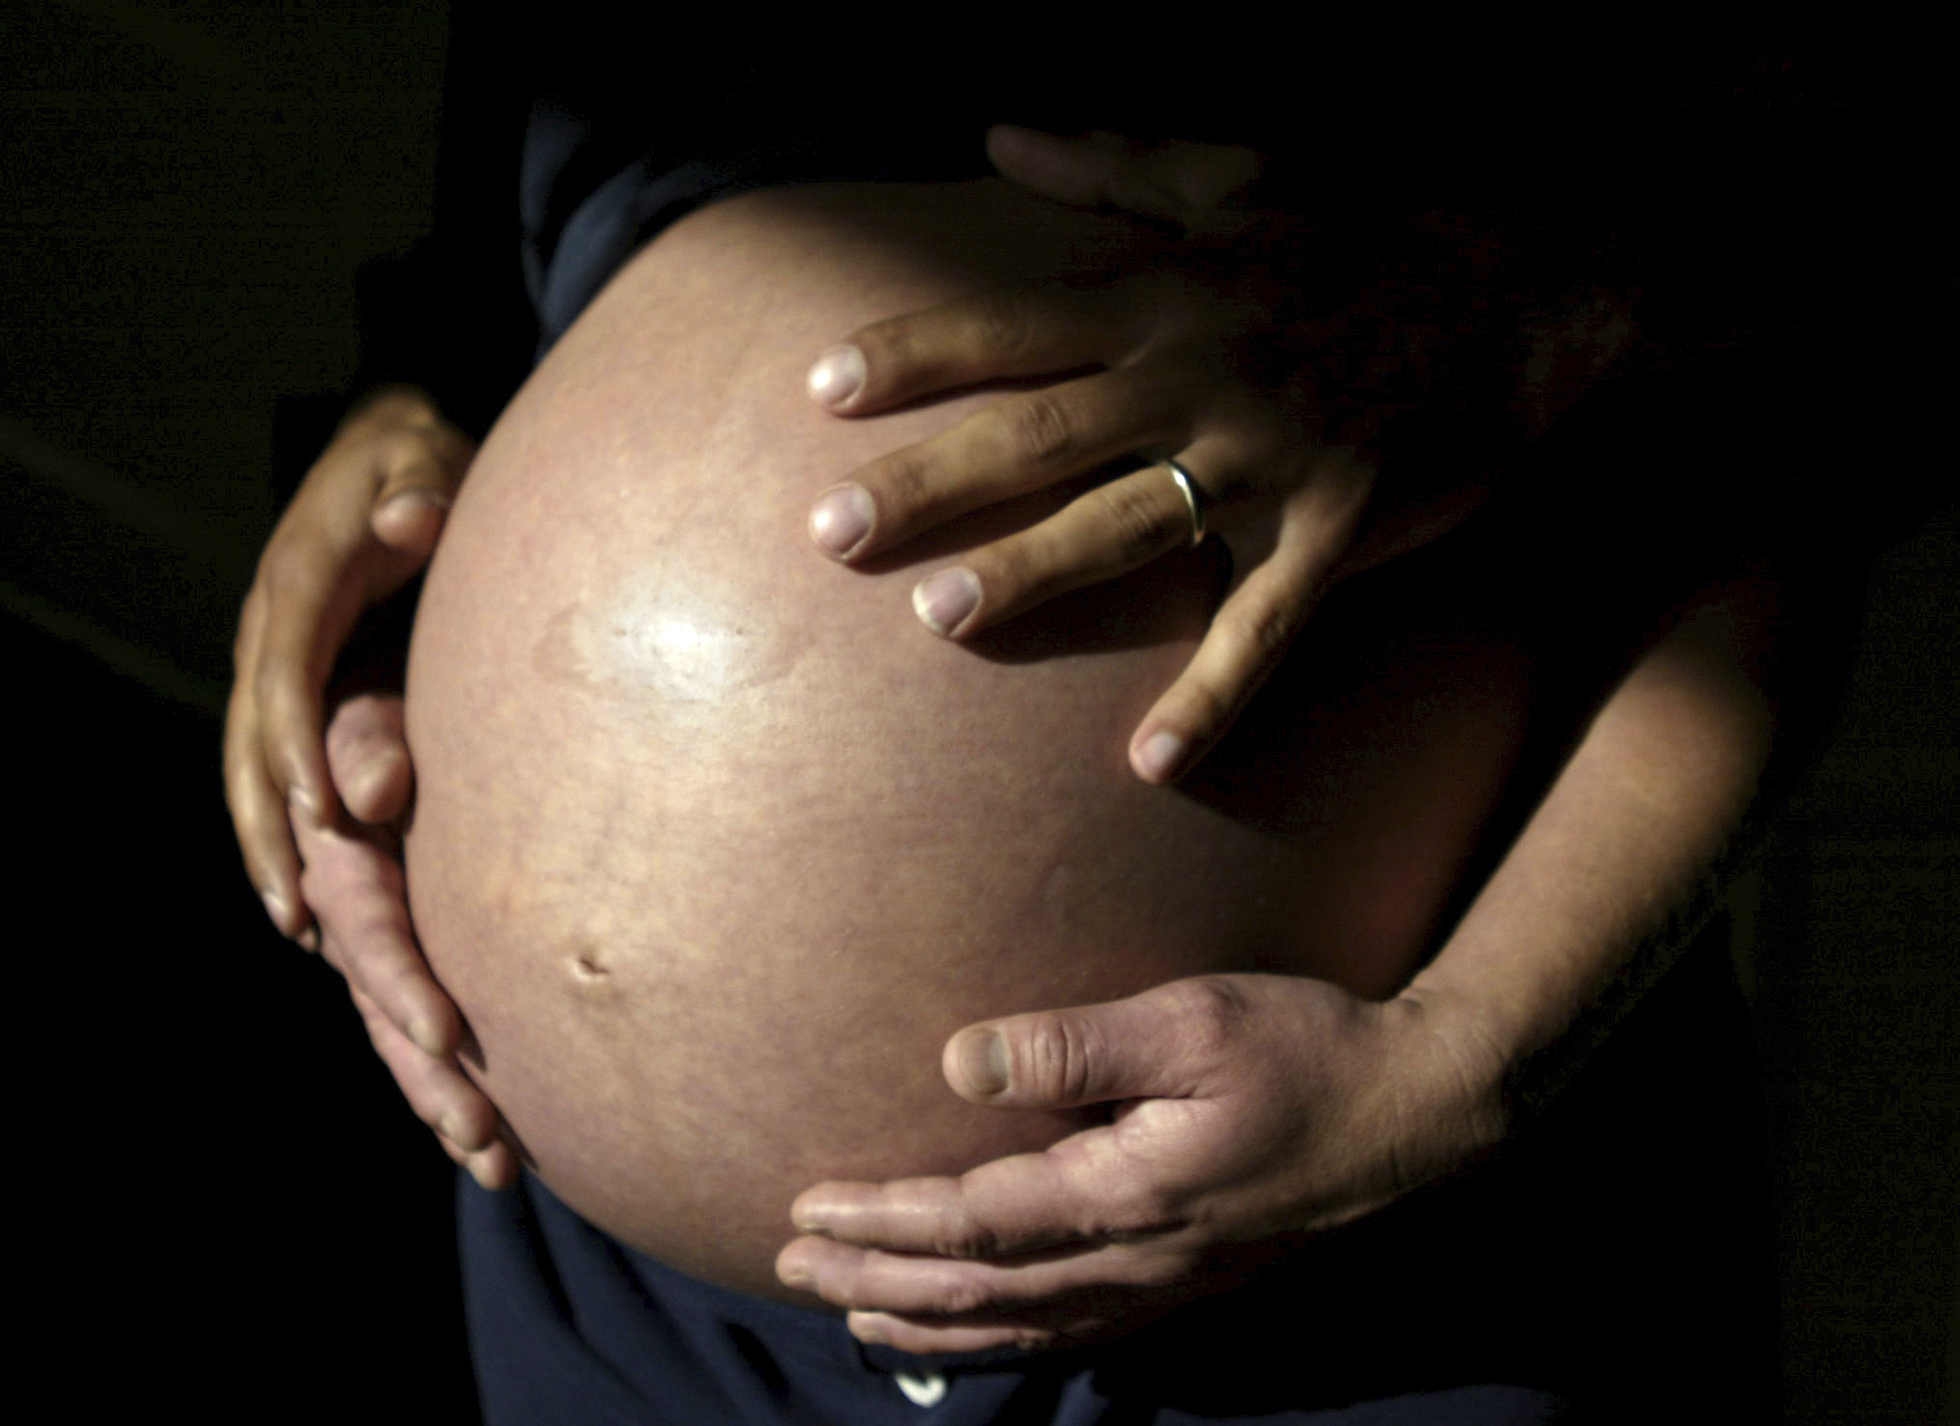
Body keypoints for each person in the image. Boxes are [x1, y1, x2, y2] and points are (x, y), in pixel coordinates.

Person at [224, 27, 1933, 1422]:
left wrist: (1463, 1067)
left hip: (1337, 1285)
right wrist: (406, 504)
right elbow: (518, 220)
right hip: (607, 1288)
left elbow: (1821, 386)